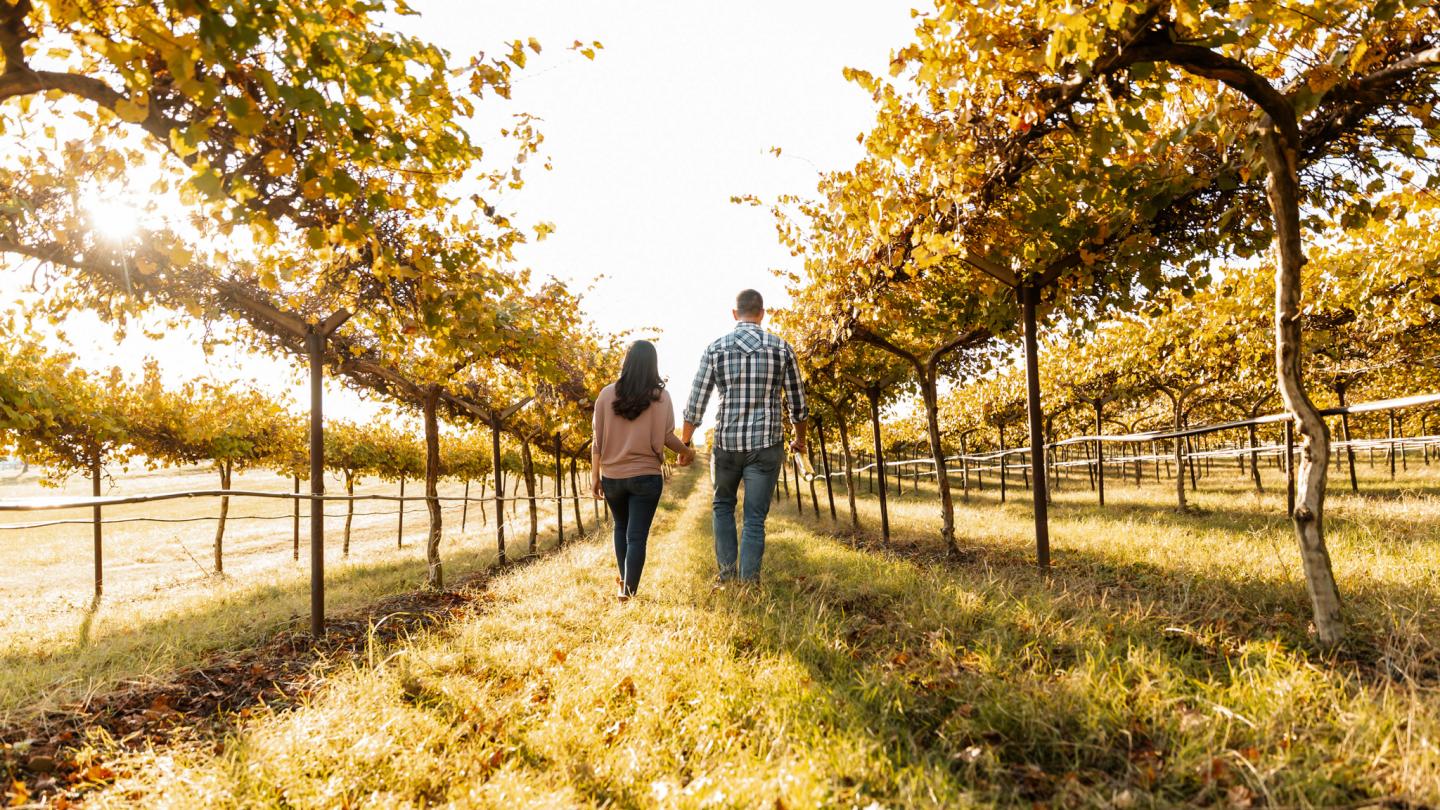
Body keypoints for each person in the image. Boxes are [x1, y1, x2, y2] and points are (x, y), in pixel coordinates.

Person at [682, 289, 807, 585]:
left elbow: (695, 403)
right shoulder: (782, 349)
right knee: (754, 518)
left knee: (722, 505)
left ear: (734, 314)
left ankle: (726, 577)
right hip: (766, 445)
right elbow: (798, 404)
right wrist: (800, 438)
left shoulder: (716, 349)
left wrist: (685, 443)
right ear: (762, 313)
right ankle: (749, 583)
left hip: (727, 445)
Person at [591, 340, 695, 600]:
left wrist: (595, 476)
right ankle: (628, 591)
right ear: (653, 364)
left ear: (626, 361)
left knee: (620, 528)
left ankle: (624, 583)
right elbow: (667, 436)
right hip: (646, 476)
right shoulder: (660, 397)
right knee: (636, 536)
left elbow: (597, 440)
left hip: (612, 476)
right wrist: (687, 451)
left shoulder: (606, 394)